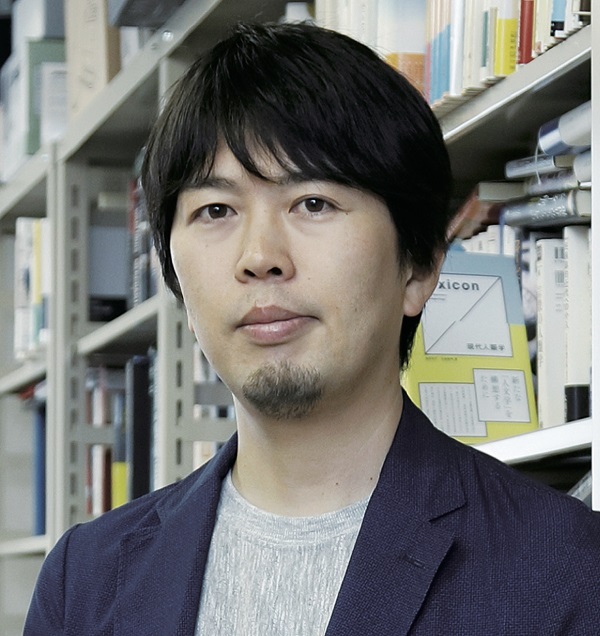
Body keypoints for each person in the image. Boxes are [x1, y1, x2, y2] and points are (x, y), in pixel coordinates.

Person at [25, 20, 600, 636]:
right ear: (177, 281)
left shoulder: (567, 571)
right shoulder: (85, 582)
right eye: (215, 210)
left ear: (418, 266)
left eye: (313, 203)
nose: (260, 256)